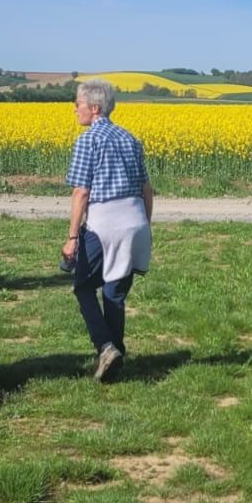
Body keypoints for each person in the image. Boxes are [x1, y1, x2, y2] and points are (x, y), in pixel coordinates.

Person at [63, 80, 153, 382]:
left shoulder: (88, 140)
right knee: (114, 293)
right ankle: (115, 359)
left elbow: (81, 193)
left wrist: (72, 237)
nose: (74, 109)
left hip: (105, 225)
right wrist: (145, 225)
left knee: (83, 287)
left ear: (94, 108)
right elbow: (146, 189)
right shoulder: (130, 138)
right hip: (135, 221)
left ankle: (105, 346)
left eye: (78, 104)